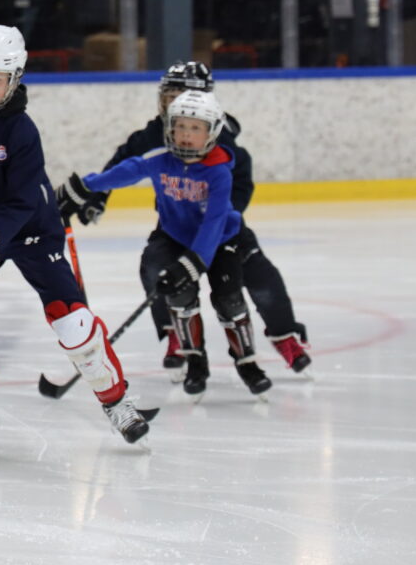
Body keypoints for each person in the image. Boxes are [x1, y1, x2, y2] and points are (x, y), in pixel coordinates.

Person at [0, 22, 152, 456]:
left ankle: (118, 402)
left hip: (32, 232)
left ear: (13, 79)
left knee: (72, 322)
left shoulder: (22, 131)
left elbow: (21, 205)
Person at [57, 61, 311, 382]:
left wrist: (219, 218)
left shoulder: (222, 137)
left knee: (259, 275)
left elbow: (240, 183)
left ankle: (285, 336)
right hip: (175, 226)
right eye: (168, 96)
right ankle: (176, 334)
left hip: (221, 229)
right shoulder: (154, 134)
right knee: (154, 269)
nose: (172, 105)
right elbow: (125, 164)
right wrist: (90, 195)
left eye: (182, 95)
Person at [75, 88, 272, 401]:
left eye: (195, 128)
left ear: (212, 132)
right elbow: (129, 170)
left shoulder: (220, 171)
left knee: (229, 299)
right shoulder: (162, 160)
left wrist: (191, 264)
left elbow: (213, 224)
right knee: (180, 298)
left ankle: (247, 362)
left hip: (220, 240)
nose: (185, 135)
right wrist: (84, 186)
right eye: (179, 126)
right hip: (176, 236)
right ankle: (196, 362)